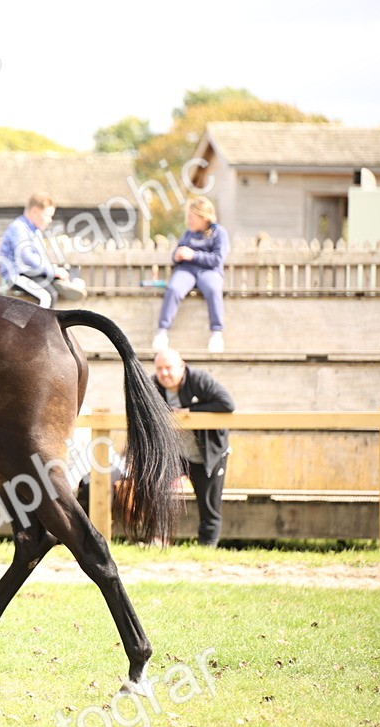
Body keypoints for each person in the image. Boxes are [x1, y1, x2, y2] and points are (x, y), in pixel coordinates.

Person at [152, 348, 235, 546]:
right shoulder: (153, 384)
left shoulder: (199, 380)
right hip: (175, 454)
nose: (164, 373)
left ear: (182, 366)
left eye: (169, 368)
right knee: (155, 491)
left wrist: (189, 413)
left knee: (209, 504)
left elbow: (227, 404)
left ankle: (207, 548)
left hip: (207, 454)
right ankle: (158, 538)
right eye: (159, 369)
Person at [152, 197, 230, 354]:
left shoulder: (219, 233)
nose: (188, 221)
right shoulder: (188, 233)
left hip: (209, 271)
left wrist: (193, 255)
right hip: (187, 271)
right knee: (173, 289)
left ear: (203, 217)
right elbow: (176, 253)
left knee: (213, 290)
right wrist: (178, 256)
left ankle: (216, 333)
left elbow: (217, 259)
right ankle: (162, 332)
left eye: (191, 218)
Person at [0, 192, 87, 308]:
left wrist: (54, 271)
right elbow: (27, 257)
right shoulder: (18, 228)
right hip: (16, 275)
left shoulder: (35, 231)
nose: (49, 220)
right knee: (47, 296)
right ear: (34, 211)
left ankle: (67, 280)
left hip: (31, 273)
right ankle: (42, 325)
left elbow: (40, 258)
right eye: (47, 215)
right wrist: (52, 271)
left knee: (62, 272)